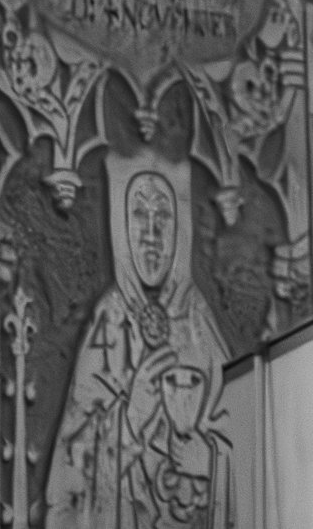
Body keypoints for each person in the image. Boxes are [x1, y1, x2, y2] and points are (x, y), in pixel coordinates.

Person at [46, 148, 236, 528]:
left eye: (163, 216)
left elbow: (244, 439)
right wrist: (131, 419)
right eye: (139, 214)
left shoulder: (198, 319)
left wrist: (209, 460)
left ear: (180, 228)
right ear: (120, 226)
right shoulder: (109, 319)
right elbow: (69, 473)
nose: (151, 234)